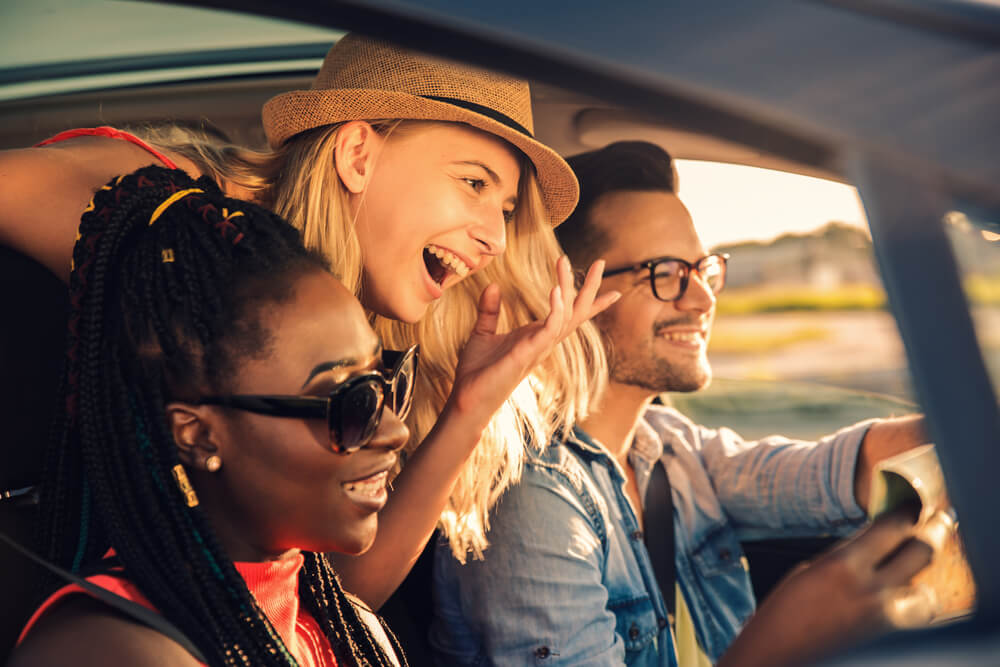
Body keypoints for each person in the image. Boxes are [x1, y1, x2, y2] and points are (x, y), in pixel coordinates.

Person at [0, 34, 616, 612]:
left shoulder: (357, 347)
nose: (496, 240)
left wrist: (470, 407)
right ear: (356, 155)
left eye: (506, 210)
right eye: (473, 182)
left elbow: (339, 596)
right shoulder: (152, 200)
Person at [430, 141, 939, 666]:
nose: (702, 299)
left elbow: (842, 467)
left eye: (703, 269)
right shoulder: (528, 495)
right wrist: (787, 639)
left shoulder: (670, 448)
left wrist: (970, 432)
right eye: (666, 273)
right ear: (570, 293)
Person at [9, 166, 420, 666]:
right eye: (351, 403)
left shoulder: (349, 627)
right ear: (199, 435)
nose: (395, 430)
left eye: (385, 383)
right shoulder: (114, 650)